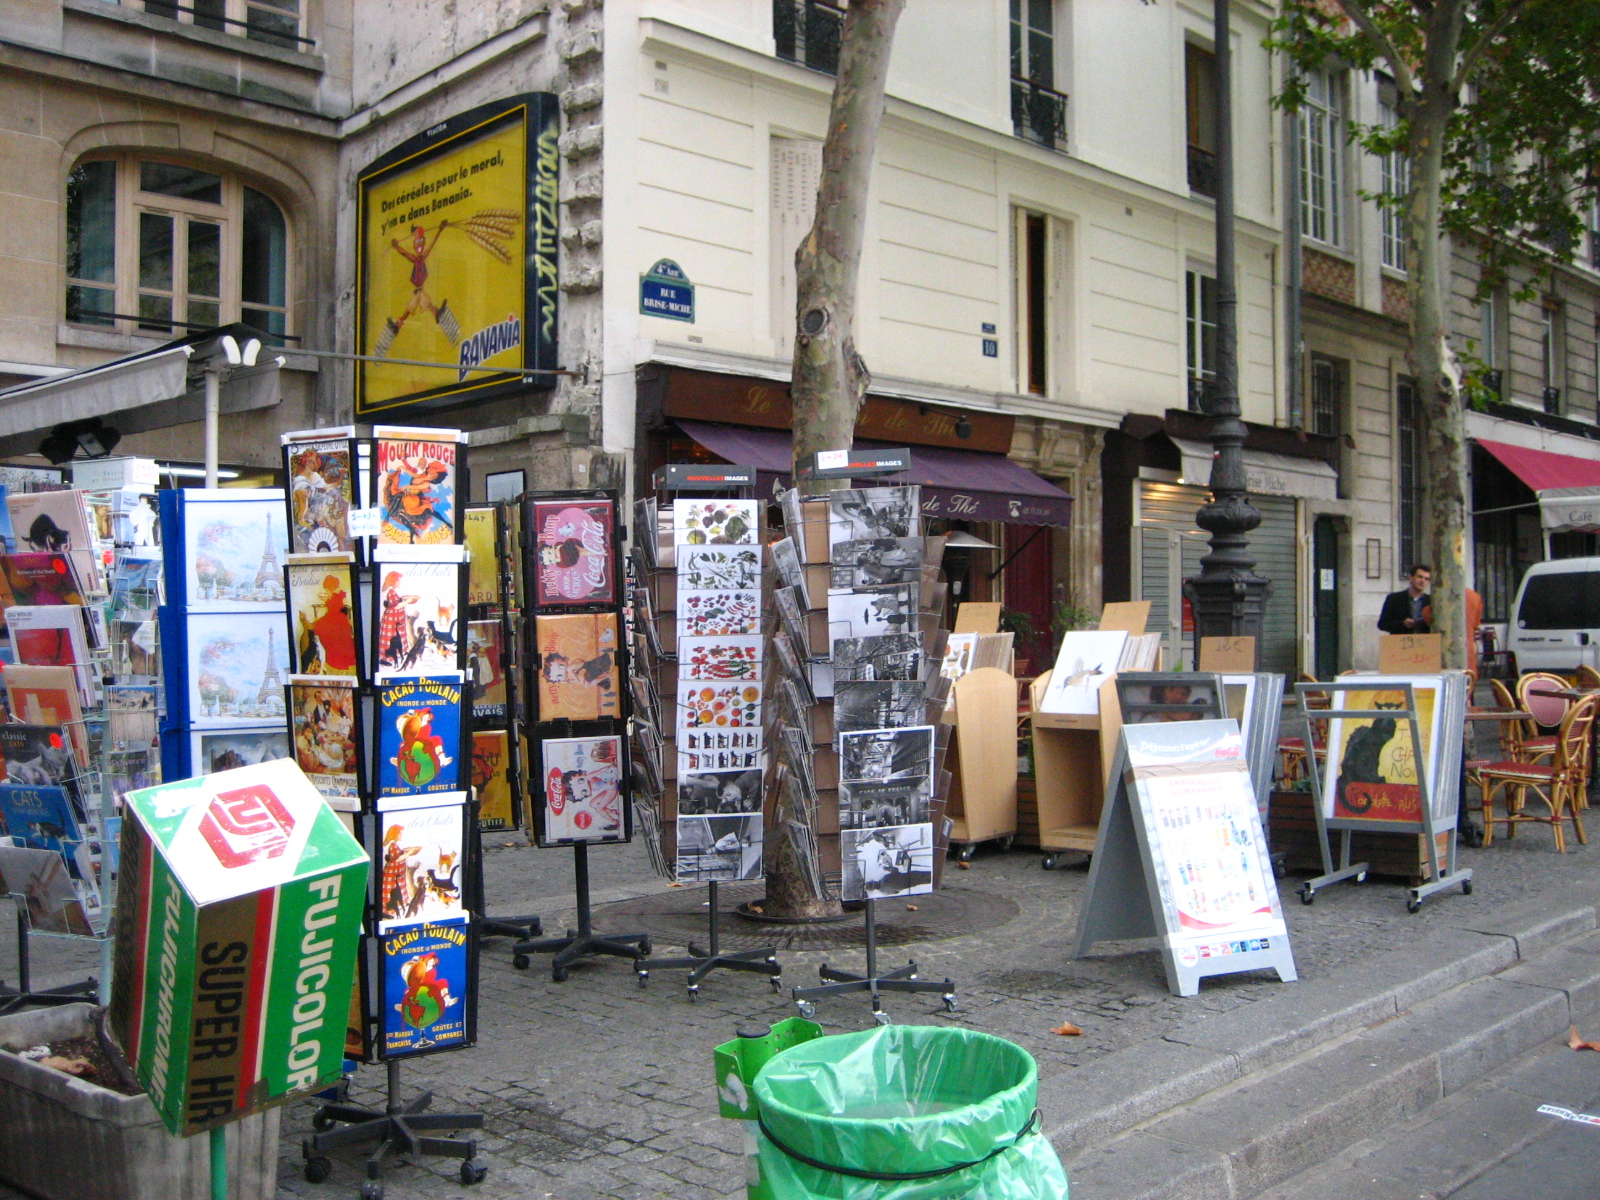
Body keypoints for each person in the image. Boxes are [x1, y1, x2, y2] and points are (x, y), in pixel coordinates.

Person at [1378, 565, 1432, 634]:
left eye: (1426, 579)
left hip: (1425, 639)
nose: (1422, 581)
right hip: (1401, 639)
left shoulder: (1431, 601)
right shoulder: (1394, 598)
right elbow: (1382, 624)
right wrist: (1403, 624)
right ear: (1411, 578)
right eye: (1419, 577)